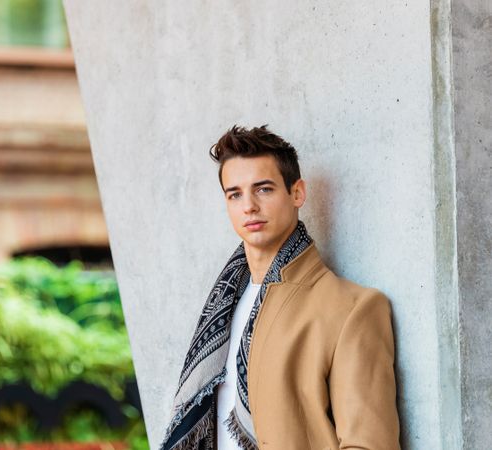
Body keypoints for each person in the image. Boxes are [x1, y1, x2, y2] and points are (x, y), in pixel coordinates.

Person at [160, 125, 400, 450]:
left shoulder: (352, 309)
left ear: (297, 193)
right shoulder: (221, 307)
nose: (249, 207)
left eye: (264, 189)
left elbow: (369, 444)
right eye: (235, 194)